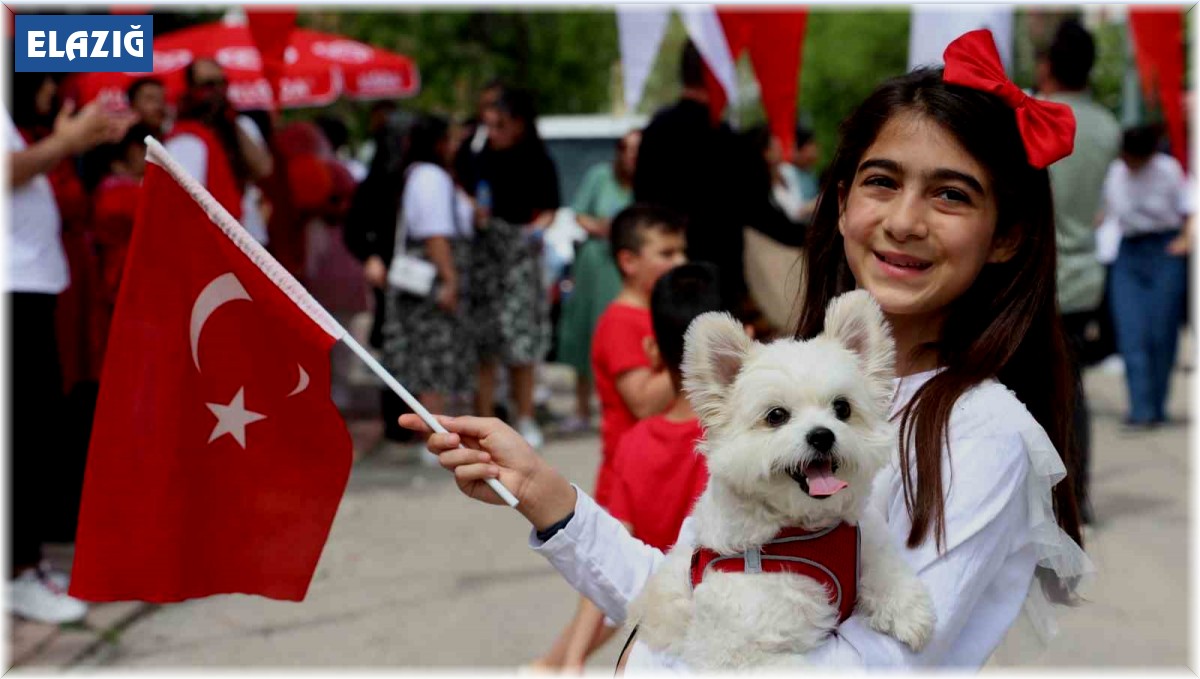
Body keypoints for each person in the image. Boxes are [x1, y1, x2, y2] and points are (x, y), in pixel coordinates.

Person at [404, 29, 1090, 670]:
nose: (905, 221)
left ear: (1007, 234)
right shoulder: (788, 378)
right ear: (842, 201)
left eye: (951, 195)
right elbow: (695, 591)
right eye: (882, 182)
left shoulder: (983, 431)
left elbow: (878, 663)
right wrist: (544, 495)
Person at [533, 204, 685, 671]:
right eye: (666, 253)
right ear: (628, 261)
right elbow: (641, 400)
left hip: (655, 465)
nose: (678, 262)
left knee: (629, 592)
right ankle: (558, 666)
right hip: (630, 470)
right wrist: (689, 355)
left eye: (681, 251)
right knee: (607, 585)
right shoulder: (621, 322)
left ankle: (554, 666)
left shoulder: (654, 314)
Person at [7, 76, 134, 624]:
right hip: (13, 288)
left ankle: (23, 563)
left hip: (32, 287)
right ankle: (17, 570)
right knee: (22, 437)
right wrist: (67, 142)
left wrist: (71, 139)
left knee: (33, 432)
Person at [1036, 18, 1120, 523]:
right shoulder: (1107, 127)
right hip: (1084, 273)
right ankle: (1076, 497)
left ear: (1047, 65)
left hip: (1033, 273)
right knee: (1073, 390)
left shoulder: (1034, 115)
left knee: (1027, 388)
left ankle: (1038, 496)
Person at [374, 114, 477, 461]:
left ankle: (437, 436)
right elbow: (435, 234)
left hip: (427, 279)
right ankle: (435, 439)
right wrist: (449, 279)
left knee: (431, 360)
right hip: (430, 282)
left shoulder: (423, 175)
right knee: (432, 361)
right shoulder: (429, 176)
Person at [464, 87, 560, 449]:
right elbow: (463, 191)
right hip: (485, 258)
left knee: (522, 344)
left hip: (520, 257)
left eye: (501, 122)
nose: (494, 130)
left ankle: (525, 416)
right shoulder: (476, 155)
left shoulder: (537, 159)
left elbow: (550, 208)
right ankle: (483, 417)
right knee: (485, 344)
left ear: (518, 123)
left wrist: (533, 232)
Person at [635, 40, 744, 311]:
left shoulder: (656, 130)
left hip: (666, 278)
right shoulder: (725, 138)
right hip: (718, 277)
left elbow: (641, 201)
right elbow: (751, 207)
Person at [1102, 124, 1191, 429]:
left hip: (1163, 248)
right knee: (1131, 332)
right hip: (1129, 251)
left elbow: (1189, 207)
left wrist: (1186, 240)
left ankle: (1157, 406)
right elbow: (1108, 212)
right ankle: (1140, 409)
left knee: (1161, 333)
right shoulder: (1116, 172)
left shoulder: (1168, 170)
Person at [554, 129, 640, 434]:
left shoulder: (647, 181)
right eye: (628, 148)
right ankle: (582, 406)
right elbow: (579, 214)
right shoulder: (600, 176)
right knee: (588, 332)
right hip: (596, 263)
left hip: (630, 266)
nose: (633, 155)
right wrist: (602, 227)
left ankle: (619, 407)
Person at [164, 58, 274, 220]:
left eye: (222, 83)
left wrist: (230, 122)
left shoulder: (239, 124)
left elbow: (264, 169)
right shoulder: (183, 135)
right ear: (192, 89)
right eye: (208, 85)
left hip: (246, 222)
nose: (217, 90)